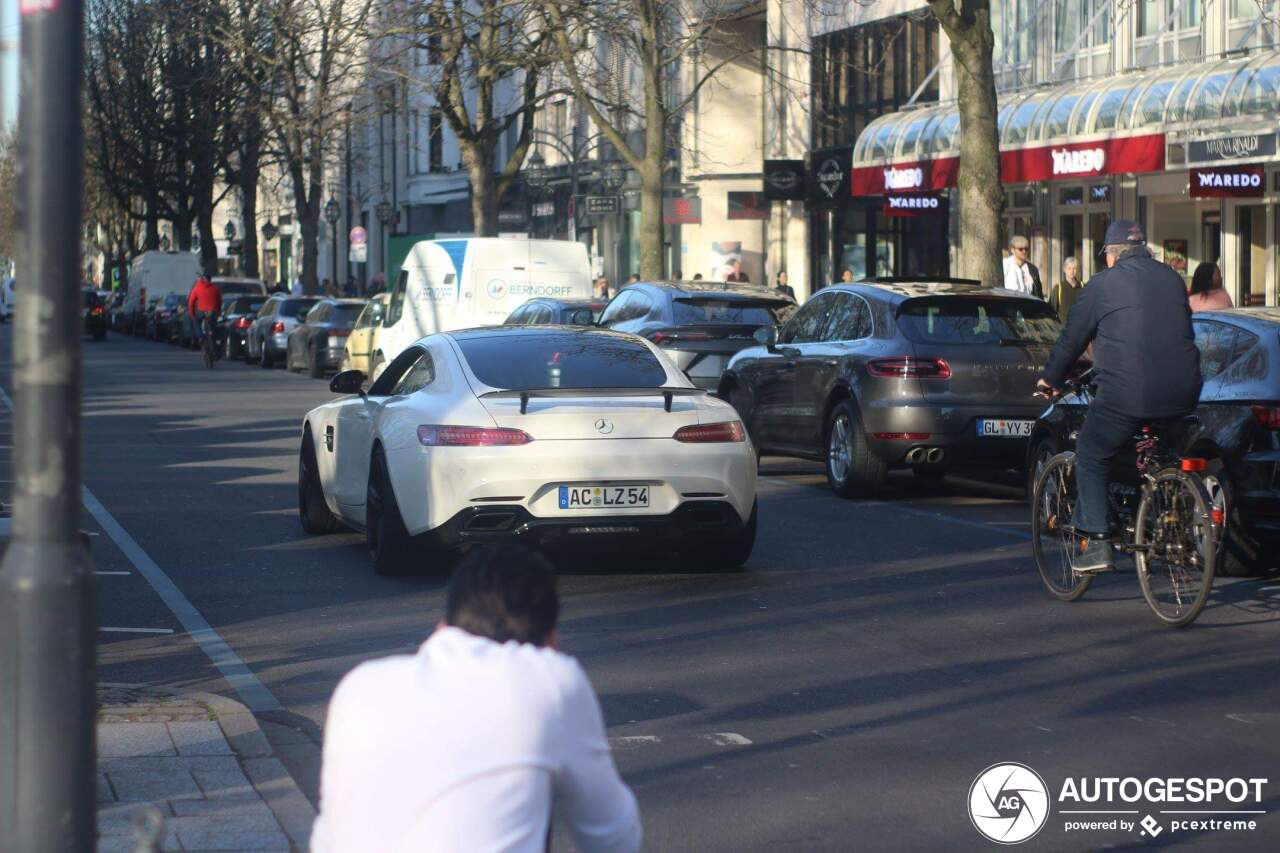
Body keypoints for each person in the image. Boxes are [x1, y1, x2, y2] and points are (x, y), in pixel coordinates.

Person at [312, 544, 642, 853]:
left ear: (444, 623)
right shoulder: (548, 678)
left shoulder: (359, 685)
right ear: (551, 639)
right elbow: (613, 837)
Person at [1037, 220, 1201, 573]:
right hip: (1183, 389)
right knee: (1157, 454)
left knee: (1092, 452)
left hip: (1127, 392)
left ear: (1112, 255)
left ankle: (1096, 543)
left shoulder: (1101, 285)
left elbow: (1072, 339)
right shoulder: (1173, 279)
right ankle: (1167, 508)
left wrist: (1050, 379)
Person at [186, 274, 222, 346]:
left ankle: (200, 336)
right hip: (212, 311)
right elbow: (219, 301)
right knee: (215, 324)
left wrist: (192, 313)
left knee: (195, 321)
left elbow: (191, 302)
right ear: (210, 280)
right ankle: (215, 338)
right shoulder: (215, 288)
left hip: (201, 311)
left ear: (202, 280)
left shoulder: (197, 288)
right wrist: (218, 311)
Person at [1049, 256, 1085, 323]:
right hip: (1064, 329)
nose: (1072, 271)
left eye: (1074, 268)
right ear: (1064, 269)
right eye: (1069, 268)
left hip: (1080, 327)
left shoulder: (1083, 287)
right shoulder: (1058, 288)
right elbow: (1051, 311)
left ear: (1078, 270)